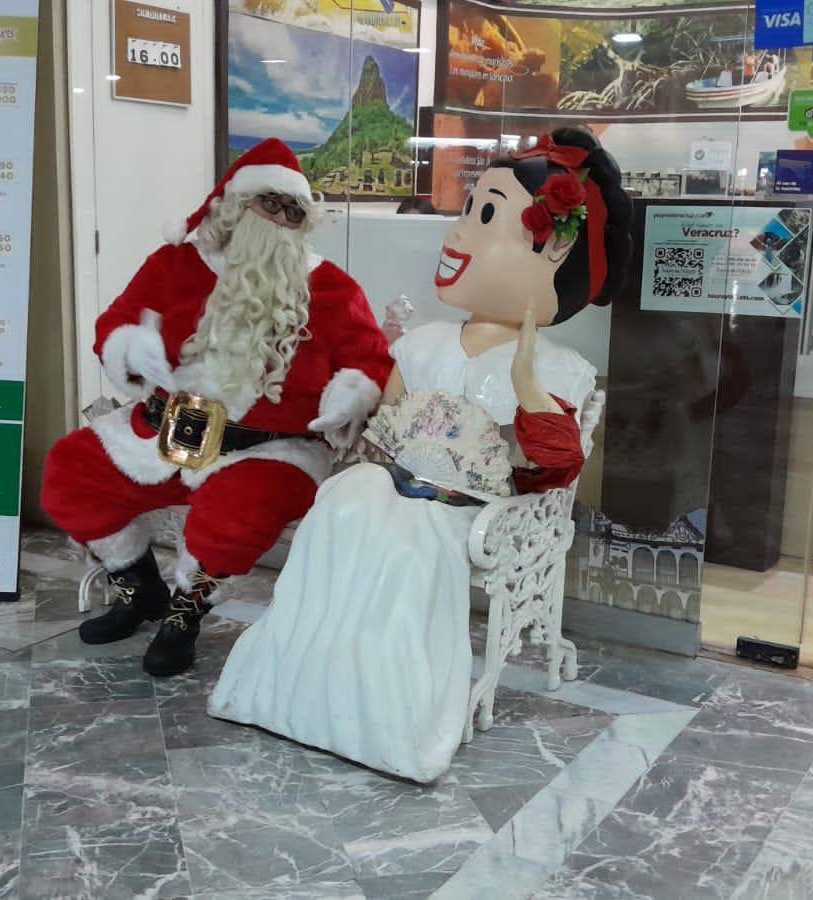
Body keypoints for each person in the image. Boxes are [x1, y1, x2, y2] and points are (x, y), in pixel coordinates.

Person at [208, 127, 633, 783]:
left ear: (557, 247)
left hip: (469, 508)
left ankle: (387, 712)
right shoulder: (423, 343)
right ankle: (297, 683)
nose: (456, 235)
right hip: (395, 480)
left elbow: (552, 468)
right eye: (467, 212)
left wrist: (524, 382)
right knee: (340, 507)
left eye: (485, 216)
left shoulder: (560, 367)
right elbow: (387, 422)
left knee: (409, 541)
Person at [41, 138, 393, 678]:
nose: (282, 219)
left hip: (270, 450)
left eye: (294, 211)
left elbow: (373, 361)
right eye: (269, 203)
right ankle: (142, 592)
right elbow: (117, 319)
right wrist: (130, 346)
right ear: (232, 205)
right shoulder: (176, 263)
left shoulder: (330, 287)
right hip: (164, 431)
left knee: (235, 516)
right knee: (72, 470)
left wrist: (354, 390)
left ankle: (186, 613)